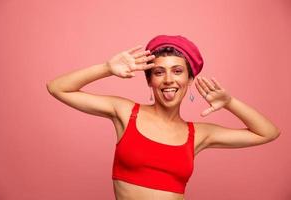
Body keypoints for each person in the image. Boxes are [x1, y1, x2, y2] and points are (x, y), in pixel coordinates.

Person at [46, 35, 280, 200]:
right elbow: (58, 88)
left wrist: (230, 103)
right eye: (159, 72)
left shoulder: (198, 134)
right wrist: (107, 68)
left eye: (178, 71)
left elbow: (268, 132)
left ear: (189, 80)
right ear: (149, 81)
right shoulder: (126, 112)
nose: (169, 79)